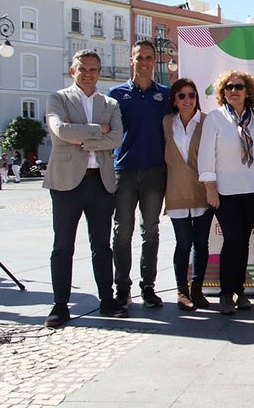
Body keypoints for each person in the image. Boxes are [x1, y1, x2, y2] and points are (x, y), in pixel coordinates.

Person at [42, 49, 128, 327]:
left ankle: (107, 299)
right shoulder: (58, 98)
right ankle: (60, 305)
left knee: (102, 245)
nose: (88, 74)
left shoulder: (110, 104)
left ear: (98, 72)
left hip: (100, 181)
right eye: (83, 69)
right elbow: (62, 131)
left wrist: (84, 136)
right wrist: (96, 131)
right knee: (63, 245)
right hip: (67, 182)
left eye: (93, 69)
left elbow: (115, 138)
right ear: (73, 70)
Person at [198, 71, 254, 315]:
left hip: (252, 189)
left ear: (248, 91)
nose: (233, 91)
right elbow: (206, 155)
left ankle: (240, 291)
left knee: (244, 242)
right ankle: (225, 293)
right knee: (233, 241)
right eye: (228, 87)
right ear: (223, 92)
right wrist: (210, 187)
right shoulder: (215, 118)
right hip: (225, 192)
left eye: (239, 87)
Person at [108, 40, 172, 309]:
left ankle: (148, 287)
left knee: (151, 231)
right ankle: (122, 288)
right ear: (131, 60)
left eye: (149, 57)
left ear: (154, 61)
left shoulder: (166, 95)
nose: (145, 62)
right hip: (124, 170)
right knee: (122, 232)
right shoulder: (116, 93)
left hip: (156, 171)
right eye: (140, 57)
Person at [163, 78, 213, 311]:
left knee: (201, 243)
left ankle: (197, 289)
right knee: (183, 243)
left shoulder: (207, 121)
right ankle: (181, 290)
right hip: (176, 191)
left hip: (202, 191)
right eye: (181, 95)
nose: (187, 100)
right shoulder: (166, 123)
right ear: (174, 99)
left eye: (191, 95)